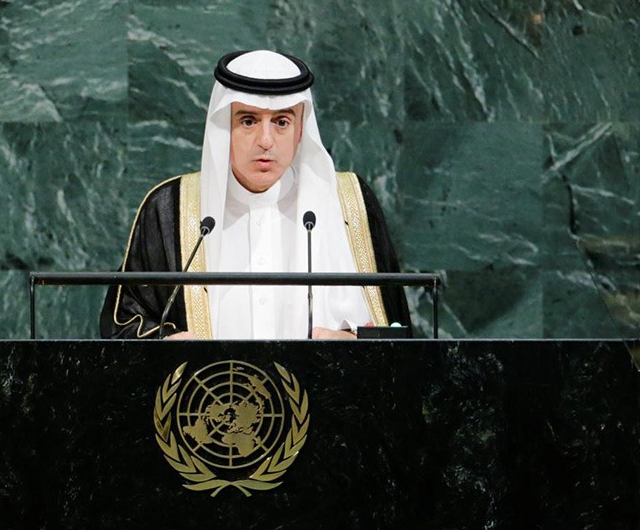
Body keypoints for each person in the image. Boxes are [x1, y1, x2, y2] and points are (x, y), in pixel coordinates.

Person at [100, 50, 411, 339]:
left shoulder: (349, 204)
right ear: (223, 127)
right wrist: (165, 343)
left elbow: (400, 334)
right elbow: (123, 326)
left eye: (281, 122)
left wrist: (355, 341)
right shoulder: (172, 209)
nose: (266, 141)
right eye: (248, 121)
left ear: (300, 130)